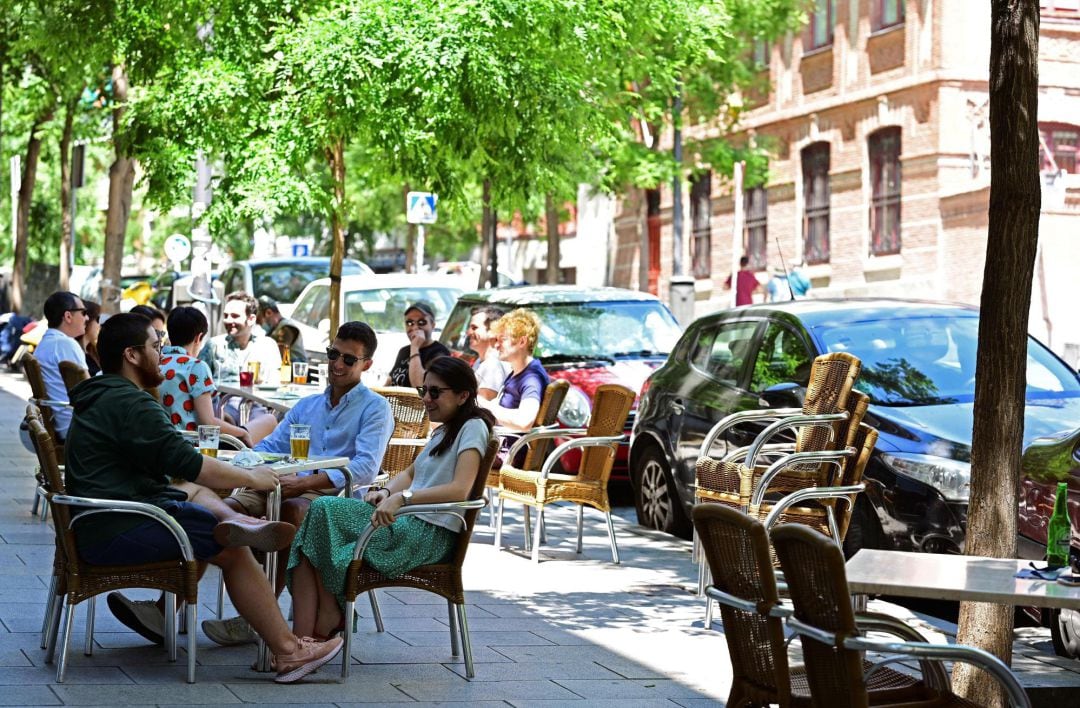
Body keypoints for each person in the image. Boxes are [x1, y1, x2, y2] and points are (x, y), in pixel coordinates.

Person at [64, 313, 342, 683]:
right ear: (132, 355)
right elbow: (192, 464)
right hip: (114, 526)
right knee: (230, 549)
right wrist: (253, 477)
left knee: (196, 496)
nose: (162, 355)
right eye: (156, 347)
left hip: (96, 520)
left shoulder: (103, 395)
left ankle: (239, 520)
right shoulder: (131, 404)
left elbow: (178, 471)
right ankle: (289, 652)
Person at [201, 321, 395, 647]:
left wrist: (303, 483)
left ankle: (261, 619)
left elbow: (364, 468)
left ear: (366, 365)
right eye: (334, 354)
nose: (337, 364)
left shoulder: (374, 407)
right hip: (283, 484)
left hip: (335, 496)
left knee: (290, 512)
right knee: (217, 511)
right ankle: (167, 609)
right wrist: (238, 468)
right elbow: (270, 448)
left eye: (348, 359)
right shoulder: (308, 405)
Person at [287, 355, 494, 641]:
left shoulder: (473, 427)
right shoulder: (445, 429)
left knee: (321, 510)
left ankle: (321, 625)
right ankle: (302, 640)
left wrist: (403, 500)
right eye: (424, 390)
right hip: (406, 525)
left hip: (427, 535)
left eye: (435, 392)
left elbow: (461, 489)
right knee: (311, 533)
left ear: (463, 396)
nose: (426, 399)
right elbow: (411, 472)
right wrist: (386, 492)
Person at [159, 306, 277, 445]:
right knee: (270, 420)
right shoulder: (195, 366)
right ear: (198, 338)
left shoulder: (156, 361)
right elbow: (207, 422)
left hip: (163, 442)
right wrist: (242, 433)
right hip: (194, 448)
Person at [477, 308, 550, 431]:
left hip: (509, 448)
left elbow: (524, 422)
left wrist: (484, 405)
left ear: (522, 341)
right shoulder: (519, 372)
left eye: (503, 339)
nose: (496, 345)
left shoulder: (531, 379)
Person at [34, 291, 89, 439]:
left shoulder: (45, 344)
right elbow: (91, 392)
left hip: (63, 424)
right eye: (83, 312)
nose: (87, 318)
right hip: (77, 427)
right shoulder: (66, 344)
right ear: (68, 316)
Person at [198, 291, 281, 384]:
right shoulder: (214, 345)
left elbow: (275, 383)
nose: (228, 320)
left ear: (251, 319)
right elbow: (197, 381)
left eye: (235, 316)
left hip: (255, 398)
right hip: (221, 398)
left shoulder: (267, 346)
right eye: (226, 316)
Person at [385, 300, 450, 387]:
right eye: (410, 323)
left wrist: (415, 348)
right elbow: (390, 380)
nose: (415, 327)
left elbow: (420, 387)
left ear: (433, 325)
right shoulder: (404, 351)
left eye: (421, 322)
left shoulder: (439, 352)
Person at [467, 305, 509, 401]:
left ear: (493, 331)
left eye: (474, 328)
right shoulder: (482, 361)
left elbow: (484, 408)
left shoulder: (493, 366)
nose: (468, 332)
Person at [256, 295, 306, 364]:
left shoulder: (286, 327)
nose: (258, 323)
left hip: (295, 370)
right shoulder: (275, 328)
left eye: (258, 319)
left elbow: (278, 354)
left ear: (268, 313)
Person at [76, 300, 102, 376]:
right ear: (87, 320)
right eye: (97, 319)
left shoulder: (92, 351)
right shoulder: (76, 352)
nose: (99, 325)